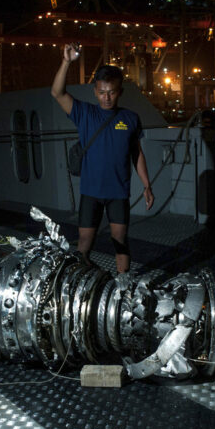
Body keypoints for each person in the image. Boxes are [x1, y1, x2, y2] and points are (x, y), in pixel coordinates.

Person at [51, 43, 154, 273]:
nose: (106, 97)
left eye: (112, 92)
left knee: (120, 241)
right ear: (95, 91)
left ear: (120, 91)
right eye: (102, 92)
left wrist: (147, 185)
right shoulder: (85, 113)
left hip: (118, 192)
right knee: (84, 244)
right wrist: (67, 62)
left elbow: (137, 153)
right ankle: (80, 281)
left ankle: (123, 288)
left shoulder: (130, 118)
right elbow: (57, 93)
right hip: (91, 192)